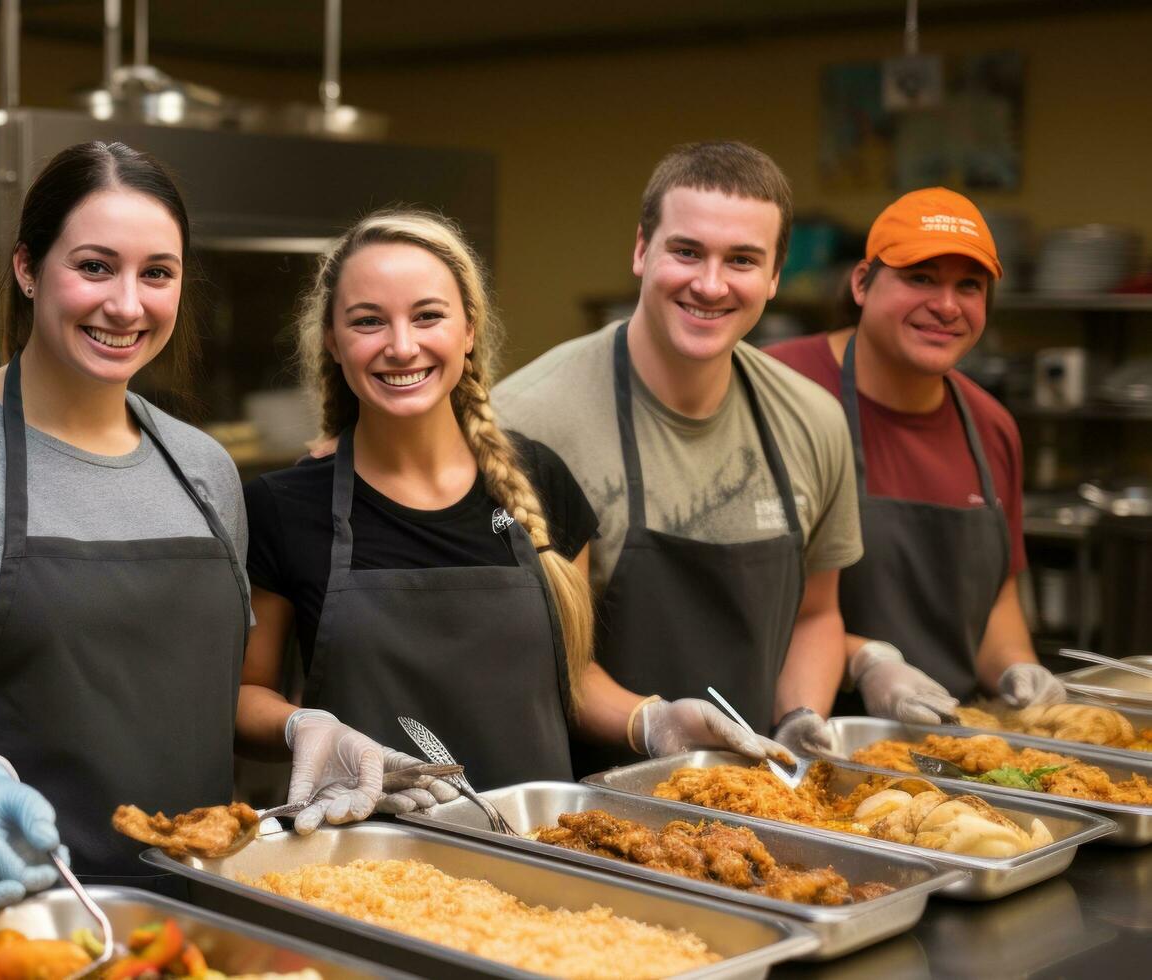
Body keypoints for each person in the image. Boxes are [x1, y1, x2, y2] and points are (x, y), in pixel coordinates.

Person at [241, 209, 795, 792]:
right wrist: (304, 726)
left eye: (428, 316)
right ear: (332, 338)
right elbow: (245, 695)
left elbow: (570, 678)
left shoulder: (542, 481)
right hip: (367, 860)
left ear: (468, 329)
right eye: (368, 322)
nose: (401, 347)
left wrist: (652, 720)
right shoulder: (284, 508)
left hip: (534, 851)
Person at [0, 141, 270, 919]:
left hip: (199, 915)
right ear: (25, 268)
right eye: (93, 266)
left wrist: (303, 728)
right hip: (10, 911)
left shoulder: (205, 468)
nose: (125, 304)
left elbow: (207, 698)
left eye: (157, 273)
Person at [494, 141, 863, 770]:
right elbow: (525, 652)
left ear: (775, 276)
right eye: (686, 251)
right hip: (578, 808)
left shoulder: (813, 420)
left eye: (742, 260)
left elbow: (817, 614)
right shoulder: (528, 422)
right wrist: (653, 724)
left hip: (758, 797)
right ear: (642, 251)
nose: (710, 284)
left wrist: (801, 717)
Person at [767, 187, 1061, 722]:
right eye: (920, 277)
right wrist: (867, 661)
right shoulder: (776, 390)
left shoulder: (992, 427)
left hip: (948, 747)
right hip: (798, 736)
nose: (946, 306)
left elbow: (996, 604)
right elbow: (741, 598)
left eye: (968, 286)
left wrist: (1018, 669)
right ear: (861, 283)